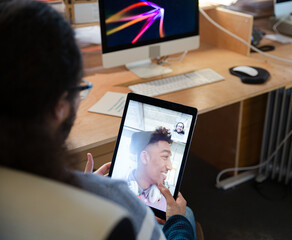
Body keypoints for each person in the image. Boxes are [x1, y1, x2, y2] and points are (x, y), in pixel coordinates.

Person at [0, 0, 195, 239]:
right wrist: (178, 222)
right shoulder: (118, 204)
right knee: (188, 215)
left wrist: (83, 184)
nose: (169, 165)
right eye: (78, 89)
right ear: (58, 107)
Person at [128, 127, 173, 212]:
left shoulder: (166, 202)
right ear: (145, 157)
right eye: (165, 157)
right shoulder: (114, 190)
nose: (170, 166)